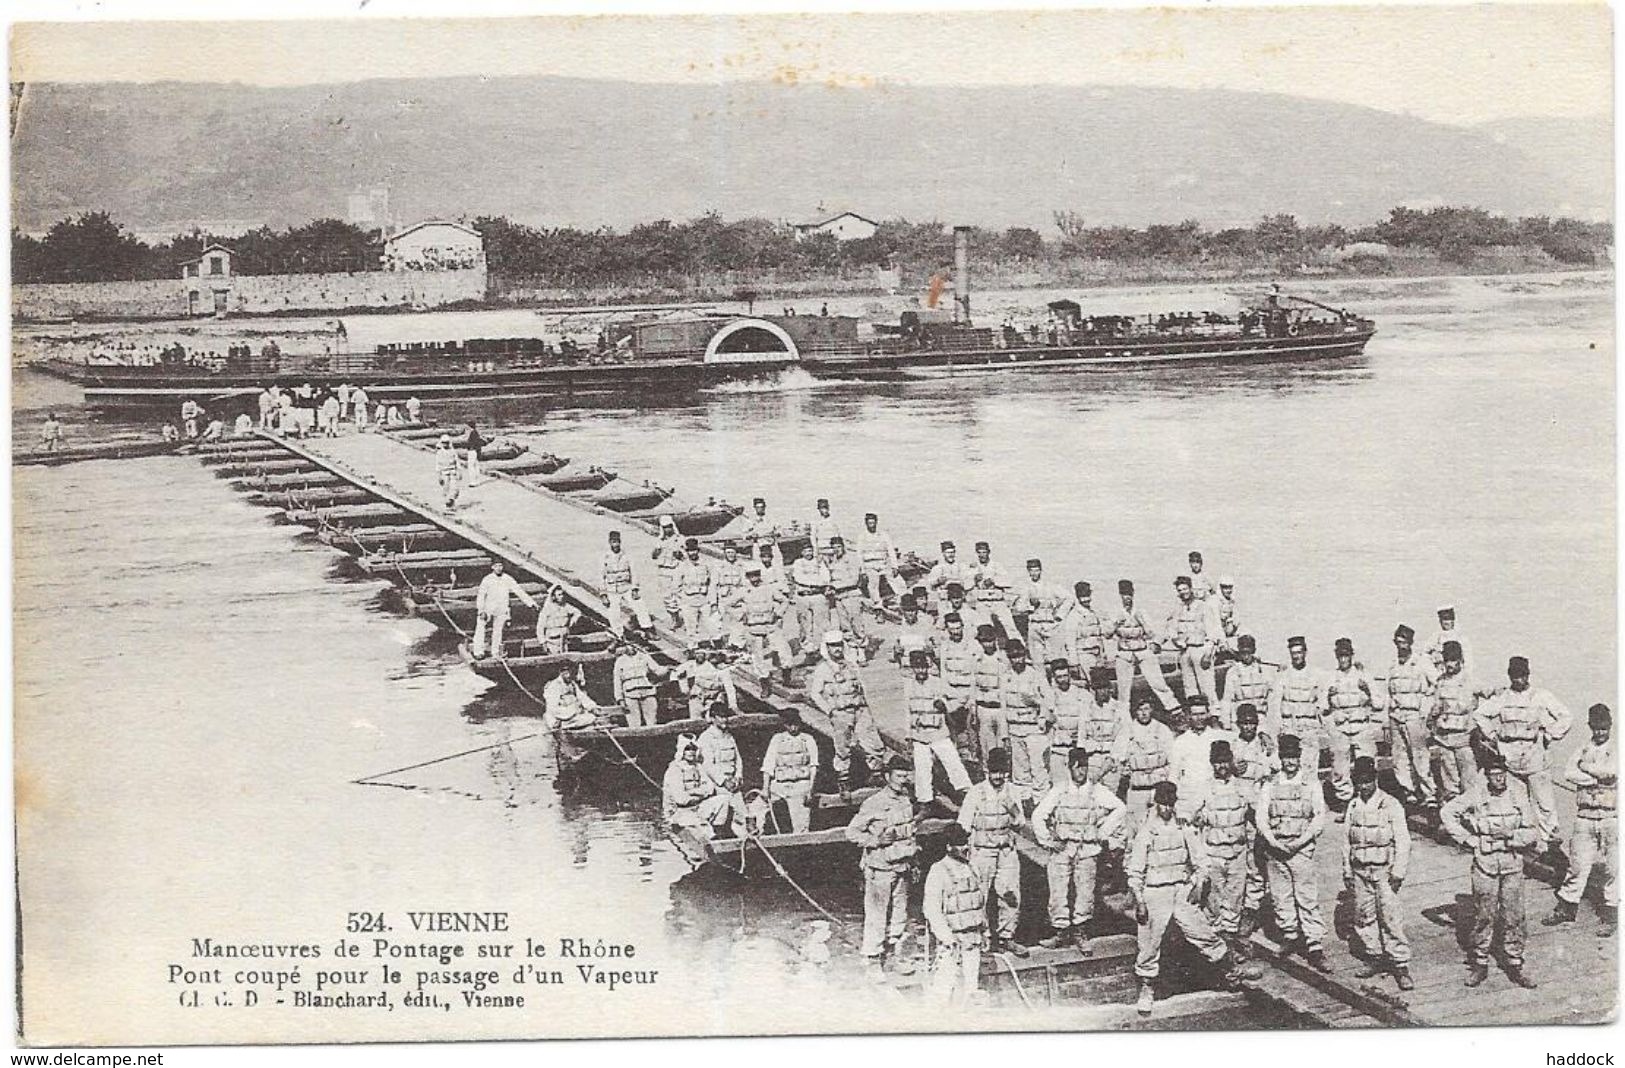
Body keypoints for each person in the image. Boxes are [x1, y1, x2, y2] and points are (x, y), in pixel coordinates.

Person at [1128, 781, 1259, 1016]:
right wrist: (1139, 900)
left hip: (1180, 889)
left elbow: (1201, 861)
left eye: (1170, 804)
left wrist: (1198, 883)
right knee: (1149, 943)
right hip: (1155, 892)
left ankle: (1230, 972)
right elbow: (1135, 871)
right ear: (1156, 803)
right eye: (1163, 804)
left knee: (1204, 934)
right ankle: (1147, 988)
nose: (1167, 808)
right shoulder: (1146, 831)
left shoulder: (1184, 827)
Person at [1439, 753, 1541, 988]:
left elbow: (1532, 831)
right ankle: (1479, 962)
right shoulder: (1476, 794)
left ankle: (1514, 962)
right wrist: (1467, 839)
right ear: (1486, 775)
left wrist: (1512, 838)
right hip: (1484, 863)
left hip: (1511, 862)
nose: (1499, 778)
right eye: (1494, 774)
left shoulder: (1518, 795)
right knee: (1483, 914)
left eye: (1502, 773)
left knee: (1514, 914)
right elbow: (1447, 813)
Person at [1473, 655, 1574, 853]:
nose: (1518, 680)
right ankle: (1523, 841)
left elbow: (1565, 716)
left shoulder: (1541, 696)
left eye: (1522, 675)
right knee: (1517, 802)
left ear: (1528, 675)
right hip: (1510, 758)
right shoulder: (1503, 697)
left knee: (1544, 803)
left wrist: (1550, 735)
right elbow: (1480, 714)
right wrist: (1493, 736)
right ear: (1510, 676)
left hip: (1534, 755)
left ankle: (1551, 843)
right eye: (1514, 676)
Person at [1034, 747, 1126, 949]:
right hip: (1063, 847)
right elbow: (1038, 815)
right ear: (1070, 768)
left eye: (1084, 767)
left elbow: (1120, 809)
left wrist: (1102, 832)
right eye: (1077, 768)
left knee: (1085, 892)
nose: (1081, 772)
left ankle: (1080, 932)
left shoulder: (1096, 790)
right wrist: (1049, 841)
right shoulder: (1059, 789)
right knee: (1058, 891)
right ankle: (1060, 931)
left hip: (1086, 848)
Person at [1256, 734, 1331, 971]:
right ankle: (1290, 936)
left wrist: (1301, 841)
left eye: (1293, 757)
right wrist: (1273, 842)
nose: (1290, 762)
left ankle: (1314, 944)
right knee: (1281, 896)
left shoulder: (1311, 783)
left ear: (1299, 758)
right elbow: (1261, 817)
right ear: (1280, 759)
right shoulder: (1270, 783)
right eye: (1286, 757)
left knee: (1306, 897)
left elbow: (1319, 817)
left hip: (1300, 848)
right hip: (1276, 849)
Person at [1544, 703, 1616, 936]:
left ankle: (1612, 914)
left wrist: (1585, 769)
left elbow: (1612, 772)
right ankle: (1567, 907)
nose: (1600, 733)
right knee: (1577, 864)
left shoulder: (1617, 748)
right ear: (1590, 727)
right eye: (1596, 728)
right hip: (1585, 814)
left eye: (1604, 728)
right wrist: (1592, 776)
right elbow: (1569, 773)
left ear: (1610, 726)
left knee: (1614, 868)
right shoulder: (1583, 749)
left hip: (1611, 816)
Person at [1343, 755, 1414, 988]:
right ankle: (1373, 956)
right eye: (1359, 782)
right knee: (1364, 917)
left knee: (1391, 917)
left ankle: (1400, 964)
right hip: (1360, 869)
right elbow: (1346, 841)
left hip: (1384, 870)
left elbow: (1403, 840)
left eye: (1367, 781)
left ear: (1375, 779)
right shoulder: (1353, 805)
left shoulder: (1391, 804)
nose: (1363, 786)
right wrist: (1347, 870)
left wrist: (1398, 872)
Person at [845, 757, 920, 975]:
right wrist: (875, 841)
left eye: (906, 776)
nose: (903, 780)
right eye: (899, 775)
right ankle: (872, 957)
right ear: (887, 777)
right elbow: (851, 832)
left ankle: (896, 953)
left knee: (900, 913)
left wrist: (913, 862)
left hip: (901, 866)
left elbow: (909, 833)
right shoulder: (873, 803)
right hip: (880, 868)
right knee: (877, 914)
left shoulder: (906, 801)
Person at [1191, 740, 1262, 959]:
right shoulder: (1204, 787)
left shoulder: (1242, 786)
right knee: (1214, 900)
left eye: (1224, 761)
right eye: (1217, 762)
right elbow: (1191, 817)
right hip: (1214, 852)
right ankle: (1215, 943)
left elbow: (1258, 810)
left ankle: (1231, 941)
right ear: (1212, 764)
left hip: (1237, 852)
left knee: (1234, 898)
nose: (1221, 767)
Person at [957, 747, 1027, 956]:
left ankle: (1007, 937)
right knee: (979, 896)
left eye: (1002, 772)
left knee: (1011, 894)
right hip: (982, 851)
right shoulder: (976, 792)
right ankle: (982, 938)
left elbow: (1020, 823)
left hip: (1006, 850)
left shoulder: (1012, 790)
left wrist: (1012, 808)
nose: (998, 777)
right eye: (994, 771)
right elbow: (963, 824)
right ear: (987, 770)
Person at [808, 631, 882, 789]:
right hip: (841, 712)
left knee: (871, 741)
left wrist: (868, 706)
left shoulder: (851, 664)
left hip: (860, 709)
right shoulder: (823, 669)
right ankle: (844, 778)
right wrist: (829, 710)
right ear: (826, 648)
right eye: (833, 646)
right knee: (842, 746)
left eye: (839, 645)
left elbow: (862, 686)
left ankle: (876, 773)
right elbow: (815, 693)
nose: (837, 649)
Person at [923, 823, 986, 1006]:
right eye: (959, 843)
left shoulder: (973, 867)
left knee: (971, 988)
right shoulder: (938, 871)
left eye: (966, 842)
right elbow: (932, 909)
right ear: (948, 847)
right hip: (952, 942)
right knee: (943, 988)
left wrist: (985, 931)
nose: (965, 847)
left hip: (973, 939)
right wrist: (946, 938)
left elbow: (979, 902)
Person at [1377, 624, 1439, 808]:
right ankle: (1409, 792)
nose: (1401, 646)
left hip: (1414, 716)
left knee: (1420, 756)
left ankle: (1429, 794)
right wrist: (1385, 723)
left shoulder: (1422, 662)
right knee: (1399, 757)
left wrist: (1426, 706)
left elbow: (1437, 683)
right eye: (1398, 643)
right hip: (1396, 716)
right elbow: (1388, 693)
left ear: (1411, 643)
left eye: (1404, 643)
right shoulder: (1392, 665)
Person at [904, 651, 973, 806]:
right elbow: (907, 711)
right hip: (919, 734)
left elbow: (961, 698)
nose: (921, 671)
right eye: (917, 667)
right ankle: (925, 802)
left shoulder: (938, 683)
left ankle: (966, 794)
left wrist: (947, 706)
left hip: (938, 732)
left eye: (923, 667)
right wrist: (908, 736)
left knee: (953, 763)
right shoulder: (908, 685)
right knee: (922, 769)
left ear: (928, 667)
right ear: (912, 668)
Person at [1324, 637, 1379, 808]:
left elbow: (1379, 703)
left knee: (1367, 764)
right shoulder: (1330, 678)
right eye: (1340, 656)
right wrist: (1327, 696)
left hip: (1361, 726)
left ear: (1352, 656)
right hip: (1340, 728)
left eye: (1346, 655)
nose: (1343, 659)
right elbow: (1322, 707)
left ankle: (1369, 802)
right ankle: (1345, 803)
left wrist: (1368, 691)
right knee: (1340, 768)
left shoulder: (1364, 676)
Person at [1432, 640, 1489, 801]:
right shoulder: (1440, 682)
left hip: (1465, 740)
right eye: (1447, 660)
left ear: (1461, 661)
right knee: (1449, 784)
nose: (1450, 664)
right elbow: (1435, 707)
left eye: (1453, 660)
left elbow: (1492, 695)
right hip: (1444, 740)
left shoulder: (1471, 681)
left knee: (1470, 782)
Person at [1110, 580, 1177, 714]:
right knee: (1123, 690)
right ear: (1120, 595)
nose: (1127, 598)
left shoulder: (1141, 611)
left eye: (1129, 594)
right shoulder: (1116, 612)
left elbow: (1152, 633)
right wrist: (1116, 623)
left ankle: (1175, 710)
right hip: (1125, 653)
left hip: (1142, 650)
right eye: (1124, 595)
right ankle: (1123, 718)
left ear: (1133, 594)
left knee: (1158, 683)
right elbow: (1107, 634)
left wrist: (1142, 621)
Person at [1000, 641, 1052, 802]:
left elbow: (1049, 700)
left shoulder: (1035, 675)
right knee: (1020, 769)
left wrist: (1039, 708)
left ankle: (1040, 801)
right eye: (1013, 657)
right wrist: (1004, 735)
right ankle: (1024, 801)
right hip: (1015, 728)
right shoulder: (1005, 677)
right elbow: (1003, 707)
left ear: (1025, 655)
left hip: (1033, 728)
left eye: (1020, 656)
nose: (1017, 661)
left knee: (1038, 768)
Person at [1269, 636, 1326, 781]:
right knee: (1289, 770)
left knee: (1309, 771)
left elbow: (1322, 703)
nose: (1297, 656)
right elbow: (1275, 706)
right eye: (1293, 653)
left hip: (1309, 730)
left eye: (1299, 652)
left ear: (1305, 652)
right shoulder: (1283, 676)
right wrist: (1276, 732)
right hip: (1289, 728)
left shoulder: (1317, 675)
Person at [664, 735, 740, 842]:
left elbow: (710, 788)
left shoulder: (698, 767)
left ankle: (719, 831)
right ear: (682, 750)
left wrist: (693, 793)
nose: (691, 752)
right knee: (701, 827)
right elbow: (681, 799)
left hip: (698, 806)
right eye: (687, 749)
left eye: (693, 749)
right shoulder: (674, 770)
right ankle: (711, 840)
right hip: (680, 812)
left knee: (724, 800)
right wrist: (701, 794)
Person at [1168, 697, 1236, 816]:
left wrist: (1263, 735)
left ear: (1208, 714)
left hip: (1214, 796)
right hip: (1190, 796)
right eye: (1195, 714)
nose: (1199, 718)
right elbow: (1174, 775)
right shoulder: (1180, 741)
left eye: (1202, 714)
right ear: (1188, 715)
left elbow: (1242, 738)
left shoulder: (1219, 736)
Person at [1165, 575, 1222, 708]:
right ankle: (1196, 715)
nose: (1183, 592)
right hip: (1185, 652)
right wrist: (1175, 639)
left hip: (1200, 649)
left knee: (1207, 686)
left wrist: (1208, 654)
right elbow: (1171, 627)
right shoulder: (1178, 608)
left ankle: (1214, 714)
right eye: (1180, 590)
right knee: (1189, 686)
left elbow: (1212, 632)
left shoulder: (1203, 606)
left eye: (1185, 589)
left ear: (1191, 589)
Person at [761, 710, 820, 833]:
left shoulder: (808, 739)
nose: (793, 728)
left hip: (800, 785)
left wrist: (810, 790)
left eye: (796, 724)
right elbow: (768, 764)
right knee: (756, 808)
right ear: (785, 725)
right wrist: (765, 788)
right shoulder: (777, 739)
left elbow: (814, 766)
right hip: (779, 785)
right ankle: (755, 834)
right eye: (789, 724)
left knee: (801, 827)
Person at [736, 565, 794, 685]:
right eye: (751, 576)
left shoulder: (769, 588)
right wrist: (741, 615)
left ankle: (787, 678)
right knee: (758, 656)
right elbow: (728, 604)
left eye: (756, 575)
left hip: (770, 625)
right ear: (747, 577)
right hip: (754, 627)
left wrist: (778, 614)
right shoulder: (743, 591)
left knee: (784, 649)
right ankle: (764, 682)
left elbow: (784, 601)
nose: (754, 579)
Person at [471, 561, 538, 658]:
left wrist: (531, 603)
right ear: (492, 567)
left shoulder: (507, 578)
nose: (499, 568)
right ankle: (478, 652)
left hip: (501, 608)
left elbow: (518, 591)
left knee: (498, 631)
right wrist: (481, 610)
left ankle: (495, 652)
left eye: (500, 566)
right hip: (488, 608)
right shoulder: (487, 579)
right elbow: (481, 595)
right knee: (481, 628)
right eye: (496, 566)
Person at [1077, 666, 1124, 792]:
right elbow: (1082, 736)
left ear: (1110, 689)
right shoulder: (1086, 708)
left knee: (1109, 797)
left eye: (1104, 688)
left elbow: (1123, 738)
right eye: (1098, 688)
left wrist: (1110, 762)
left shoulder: (1120, 708)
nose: (1102, 692)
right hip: (1092, 758)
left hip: (1111, 760)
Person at [1015, 558, 1070, 668]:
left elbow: (1069, 599)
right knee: (1037, 660)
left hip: (1051, 625)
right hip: (1035, 625)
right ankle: (1041, 683)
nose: (1034, 573)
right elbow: (1019, 607)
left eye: (1037, 570)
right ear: (1028, 572)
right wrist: (1031, 605)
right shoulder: (1025, 587)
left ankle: (1055, 683)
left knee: (1056, 657)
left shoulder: (1050, 585)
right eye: (1032, 570)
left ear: (1041, 570)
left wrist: (1059, 615)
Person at [696, 704, 748, 815]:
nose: (725, 720)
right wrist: (724, 781)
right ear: (713, 718)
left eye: (726, 717)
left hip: (732, 783)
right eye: (721, 717)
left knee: (743, 815)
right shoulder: (706, 737)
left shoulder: (729, 736)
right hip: (716, 784)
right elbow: (708, 765)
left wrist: (738, 776)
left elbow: (738, 759)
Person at [1045, 659, 1090, 785]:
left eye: (1065, 676)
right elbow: (1044, 722)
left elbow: (1086, 722)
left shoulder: (1082, 694)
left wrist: (1081, 746)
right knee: (1058, 786)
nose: (1063, 680)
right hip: (1057, 749)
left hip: (1075, 749)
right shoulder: (1050, 695)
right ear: (1054, 678)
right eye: (1059, 677)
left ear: (1070, 675)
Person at [1220, 635, 1273, 732]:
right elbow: (1227, 699)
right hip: (1240, 719)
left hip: (1260, 718)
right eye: (1243, 652)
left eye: (1249, 652)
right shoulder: (1233, 672)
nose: (1246, 655)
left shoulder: (1264, 671)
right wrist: (1226, 724)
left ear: (1254, 650)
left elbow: (1272, 698)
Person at [968, 542, 1020, 641]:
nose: (982, 555)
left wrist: (993, 580)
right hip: (982, 601)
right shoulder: (973, 567)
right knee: (985, 629)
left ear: (989, 552)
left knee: (1010, 627)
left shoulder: (997, 565)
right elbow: (966, 585)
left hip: (998, 600)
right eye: (979, 553)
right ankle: (990, 653)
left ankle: (1019, 648)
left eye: (984, 552)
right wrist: (974, 579)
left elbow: (1009, 581)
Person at [1060, 581, 1110, 679]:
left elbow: (1101, 634)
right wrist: (1074, 663)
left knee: (1101, 685)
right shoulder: (1074, 616)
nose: (1086, 599)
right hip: (1084, 654)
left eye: (1088, 595)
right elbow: (1070, 641)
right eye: (1083, 596)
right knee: (1090, 683)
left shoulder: (1094, 613)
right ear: (1078, 597)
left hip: (1098, 654)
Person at [612, 633, 664, 727]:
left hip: (647, 690)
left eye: (634, 644)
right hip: (630, 693)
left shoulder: (644, 656)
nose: (631, 647)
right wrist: (620, 699)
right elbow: (617, 681)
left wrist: (667, 669)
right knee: (633, 722)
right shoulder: (620, 661)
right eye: (628, 644)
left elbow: (657, 670)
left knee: (652, 720)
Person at [789, 543, 831, 650]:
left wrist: (818, 584)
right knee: (805, 625)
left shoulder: (819, 562)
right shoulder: (798, 563)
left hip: (818, 595)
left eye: (810, 550)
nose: (809, 553)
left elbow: (825, 577)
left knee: (822, 623)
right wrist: (815, 582)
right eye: (806, 551)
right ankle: (808, 650)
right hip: (804, 596)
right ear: (802, 553)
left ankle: (823, 648)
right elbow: (799, 578)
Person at [825, 537, 867, 643]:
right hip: (838, 597)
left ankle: (862, 647)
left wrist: (835, 586)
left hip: (851, 594)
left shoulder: (852, 559)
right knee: (845, 626)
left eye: (839, 547)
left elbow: (854, 580)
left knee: (856, 623)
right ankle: (851, 649)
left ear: (843, 547)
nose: (836, 550)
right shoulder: (833, 561)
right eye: (834, 548)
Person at [855, 512, 901, 607]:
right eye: (869, 523)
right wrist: (863, 571)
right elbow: (859, 555)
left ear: (876, 522)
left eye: (873, 523)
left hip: (883, 563)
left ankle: (900, 599)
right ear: (866, 523)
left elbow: (891, 551)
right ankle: (877, 604)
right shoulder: (862, 537)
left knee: (896, 580)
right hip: (870, 565)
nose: (872, 525)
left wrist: (894, 566)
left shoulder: (883, 535)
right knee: (873, 585)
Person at [681, 643, 737, 719]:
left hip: (713, 700)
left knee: (713, 719)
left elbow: (729, 688)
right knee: (697, 722)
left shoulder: (723, 671)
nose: (713, 659)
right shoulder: (694, 666)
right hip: (697, 699)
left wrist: (732, 704)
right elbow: (683, 678)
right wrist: (685, 689)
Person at [675, 539, 714, 635]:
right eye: (690, 551)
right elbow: (676, 585)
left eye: (694, 550)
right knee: (691, 626)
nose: (692, 553)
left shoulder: (706, 564)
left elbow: (712, 582)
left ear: (698, 550)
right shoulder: (682, 566)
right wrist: (683, 600)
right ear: (687, 552)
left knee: (711, 624)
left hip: (704, 598)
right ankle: (692, 646)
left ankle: (715, 644)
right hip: (689, 599)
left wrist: (711, 599)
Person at [601, 531, 636, 631]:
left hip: (626, 586)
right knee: (614, 612)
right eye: (613, 542)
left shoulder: (626, 555)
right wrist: (603, 594)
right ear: (609, 542)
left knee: (639, 605)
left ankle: (647, 628)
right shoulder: (605, 557)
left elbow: (634, 572)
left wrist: (635, 588)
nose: (615, 544)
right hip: (612, 588)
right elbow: (601, 577)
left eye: (617, 542)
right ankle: (618, 634)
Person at [1424, 604, 1472, 672]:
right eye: (1444, 620)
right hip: (1438, 670)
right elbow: (1425, 652)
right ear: (1440, 621)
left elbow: (1467, 658)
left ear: (1453, 621)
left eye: (1449, 619)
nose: (1446, 622)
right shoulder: (1435, 637)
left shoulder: (1460, 637)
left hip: (1456, 671)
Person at [534, 585, 579, 655]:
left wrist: (573, 621)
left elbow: (577, 612)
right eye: (559, 595)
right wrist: (543, 642)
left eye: (562, 594)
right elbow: (540, 627)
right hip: (551, 641)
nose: (562, 596)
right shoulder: (547, 609)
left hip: (563, 640)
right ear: (553, 597)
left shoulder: (565, 606)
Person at [435, 435, 461, 508]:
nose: (445, 444)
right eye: (443, 443)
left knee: (455, 488)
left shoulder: (453, 451)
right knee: (445, 488)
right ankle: (446, 504)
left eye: (446, 443)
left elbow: (457, 462)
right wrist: (439, 476)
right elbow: (438, 465)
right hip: (444, 472)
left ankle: (452, 501)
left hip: (452, 471)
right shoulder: (439, 453)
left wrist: (459, 471)